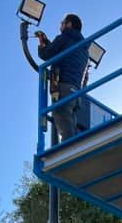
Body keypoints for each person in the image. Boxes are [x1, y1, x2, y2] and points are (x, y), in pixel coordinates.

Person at [34, 14, 89, 142]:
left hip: (63, 87)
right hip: (76, 92)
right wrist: (49, 43)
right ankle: (73, 149)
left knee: (60, 116)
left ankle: (69, 151)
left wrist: (42, 43)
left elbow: (46, 54)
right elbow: (63, 53)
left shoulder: (64, 37)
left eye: (62, 23)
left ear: (69, 24)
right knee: (70, 124)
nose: (60, 26)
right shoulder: (84, 48)